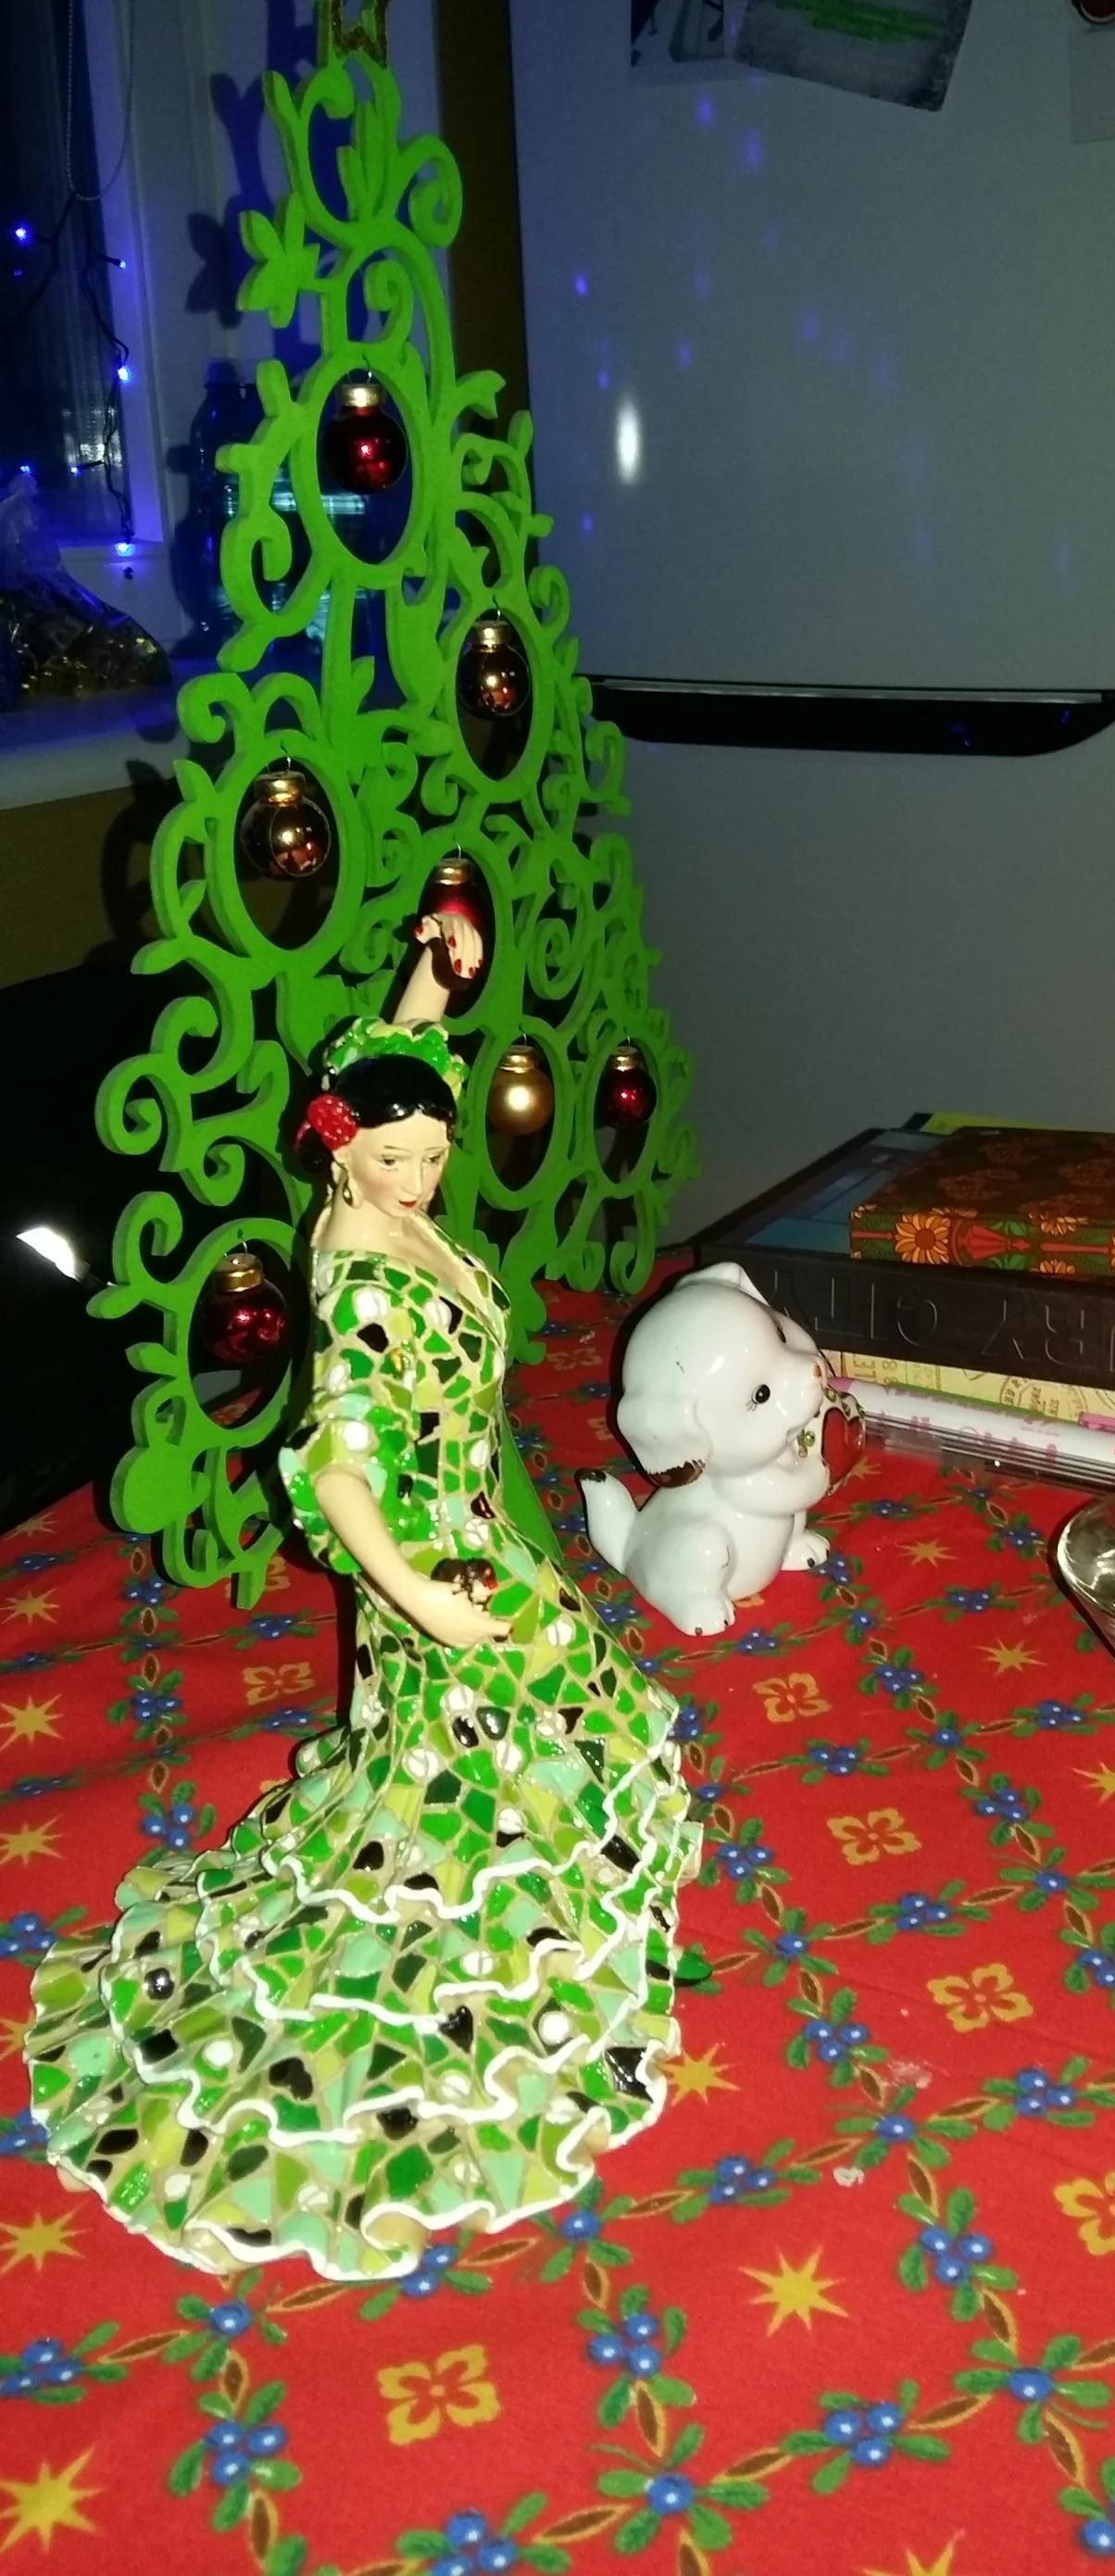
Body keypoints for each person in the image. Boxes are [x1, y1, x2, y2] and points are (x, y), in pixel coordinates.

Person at [25, 911, 700, 2281]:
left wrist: (428, 980)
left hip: (480, 1528)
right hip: (427, 1555)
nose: (419, 1175)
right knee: (466, 1752)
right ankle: (456, 1959)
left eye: (433, 1153)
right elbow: (334, 1468)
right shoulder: (361, 1281)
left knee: (568, 1705)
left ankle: (544, 1864)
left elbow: (392, 1056)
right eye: (394, 1159)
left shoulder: (395, 1179)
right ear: (338, 1149)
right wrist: (415, 1594)